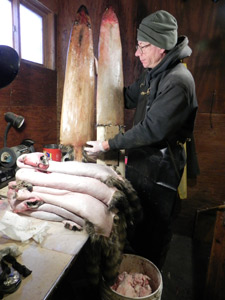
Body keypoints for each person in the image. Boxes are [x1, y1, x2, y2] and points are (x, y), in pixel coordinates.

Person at [84, 10, 198, 270]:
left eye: (142, 46)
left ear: (160, 46)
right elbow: (124, 97)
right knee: (135, 224)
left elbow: (152, 129)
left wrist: (107, 145)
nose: (137, 53)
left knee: (153, 233)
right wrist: (99, 74)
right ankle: (129, 273)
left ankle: (146, 278)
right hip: (140, 163)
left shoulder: (178, 81)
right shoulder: (152, 73)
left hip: (163, 170)